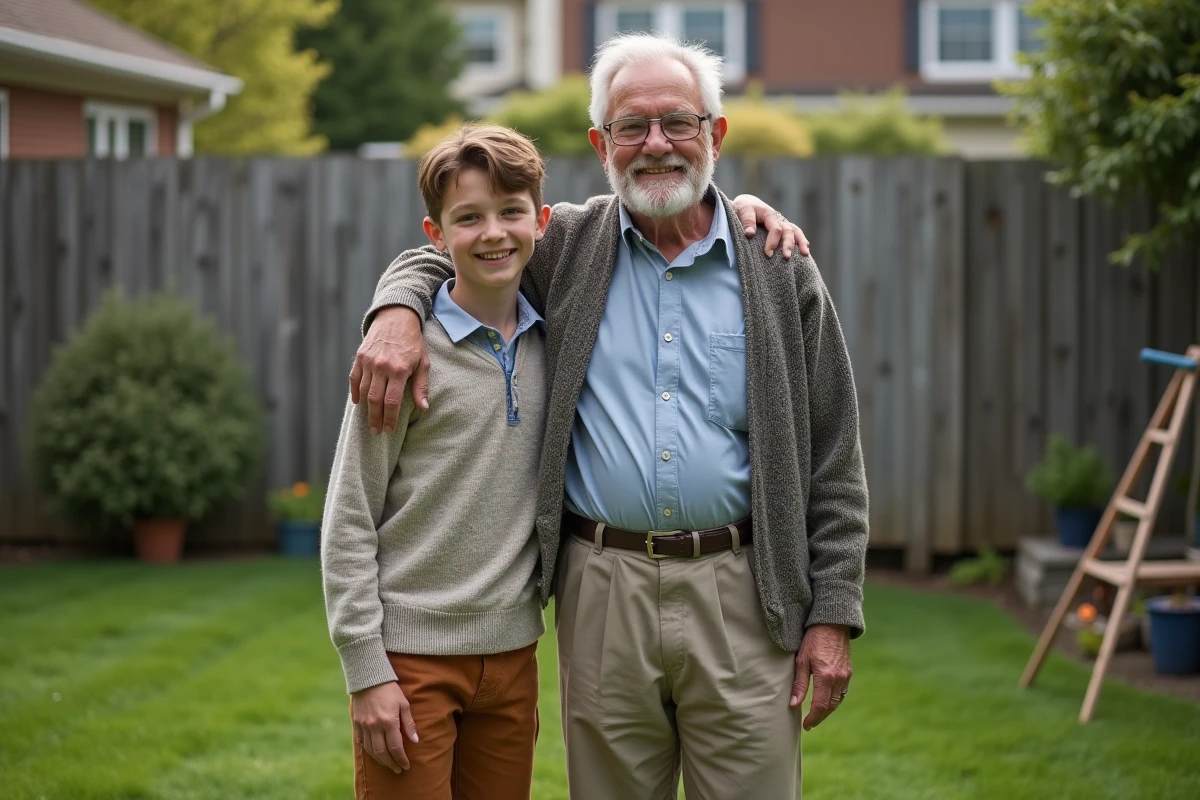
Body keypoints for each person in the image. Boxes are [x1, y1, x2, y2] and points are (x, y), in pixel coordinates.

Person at [354, 33, 868, 799]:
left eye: (678, 123)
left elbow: (835, 455)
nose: (655, 145)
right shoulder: (565, 245)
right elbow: (457, 243)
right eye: (631, 126)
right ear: (601, 145)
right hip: (602, 590)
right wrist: (395, 309)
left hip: (747, 594)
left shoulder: (777, 264)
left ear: (715, 136)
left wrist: (832, 615)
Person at [321, 123, 554, 800]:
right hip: (411, 661)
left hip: (514, 658)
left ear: (539, 220)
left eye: (511, 213)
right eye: (468, 218)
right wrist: (367, 671)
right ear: (435, 233)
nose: (493, 233)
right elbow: (349, 517)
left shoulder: (555, 342)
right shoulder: (399, 360)